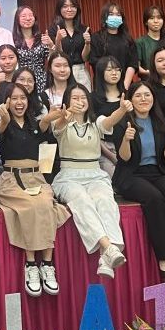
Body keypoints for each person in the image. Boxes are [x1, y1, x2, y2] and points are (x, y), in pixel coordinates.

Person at [0, 83, 70, 296]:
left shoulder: (35, 123)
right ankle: (30, 264)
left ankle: (47, 264)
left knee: (45, 203)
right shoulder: (3, 123)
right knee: (30, 205)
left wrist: (56, 116)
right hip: (10, 180)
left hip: (36, 177)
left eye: (23, 98)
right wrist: (3, 117)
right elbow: (1, 126)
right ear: (7, 101)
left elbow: (46, 122)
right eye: (14, 98)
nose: (19, 102)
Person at [111, 81, 165, 281]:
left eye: (147, 95)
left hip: (157, 171)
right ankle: (164, 257)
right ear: (131, 99)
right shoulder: (123, 123)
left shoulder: (160, 122)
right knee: (154, 198)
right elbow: (124, 158)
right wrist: (126, 140)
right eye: (138, 95)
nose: (143, 99)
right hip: (131, 174)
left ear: (153, 98)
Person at [51, 84, 130, 279]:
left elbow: (110, 121)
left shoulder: (96, 122)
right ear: (67, 101)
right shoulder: (61, 122)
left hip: (95, 174)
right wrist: (65, 115)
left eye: (83, 97)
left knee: (105, 201)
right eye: (75, 98)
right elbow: (59, 125)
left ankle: (105, 258)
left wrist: (121, 109)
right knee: (82, 201)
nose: (80, 101)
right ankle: (109, 247)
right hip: (69, 176)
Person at [90, 56, 125, 177]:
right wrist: (111, 155)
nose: (114, 73)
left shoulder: (128, 95)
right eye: (109, 70)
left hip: (128, 145)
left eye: (117, 69)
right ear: (100, 72)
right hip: (105, 148)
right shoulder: (93, 98)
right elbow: (92, 130)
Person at [48, 0, 92, 88]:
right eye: (65, 6)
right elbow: (57, 55)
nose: (69, 9)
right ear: (59, 9)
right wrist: (58, 40)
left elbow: (85, 58)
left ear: (77, 9)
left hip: (81, 72)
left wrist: (87, 43)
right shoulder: (53, 30)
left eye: (72, 6)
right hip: (62, 71)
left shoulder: (84, 29)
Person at [89, 2, 137, 87]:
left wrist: (125, 86)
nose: (115, 17)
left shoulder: (128, 39)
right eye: (111, 14)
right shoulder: (96, 37)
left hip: (125, 84)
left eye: (118, 15)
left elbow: (132, 64)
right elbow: (94, 61)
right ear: (105, 17)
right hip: (103, 85)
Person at [12, 5, 54, 93]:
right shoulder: (12, 41)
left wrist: (51, 44)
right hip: (22, 81)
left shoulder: (42, 38)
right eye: (23, 16)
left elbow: (52, 59)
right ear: (17, 19)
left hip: (41, 81)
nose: (28, 18)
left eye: (30, 15)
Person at [135, 5, 165, 79]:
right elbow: (136, 66)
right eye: (152, 18)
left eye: (159, 18)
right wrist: (147, 72)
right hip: (148, 81)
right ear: (146, 22)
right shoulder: (140, 42)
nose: (156, 21)